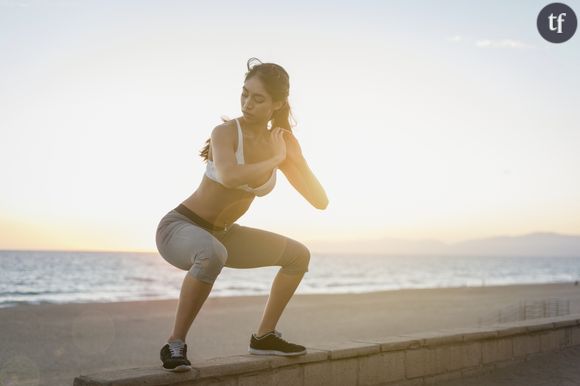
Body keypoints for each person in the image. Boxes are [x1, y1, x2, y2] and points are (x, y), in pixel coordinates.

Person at [155, 57, 329, 372]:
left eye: (258, 98)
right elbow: (231, 175)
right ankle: (175, 344)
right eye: (245, 94)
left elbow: (320, 201)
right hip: (180, 227)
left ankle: (264, 337)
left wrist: (295, 156)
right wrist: (276, 158)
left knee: (298, 256)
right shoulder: (225, 132)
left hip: (224, 234)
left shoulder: (282, 142)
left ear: (278, 104)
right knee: (211, 253)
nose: (247, 103)